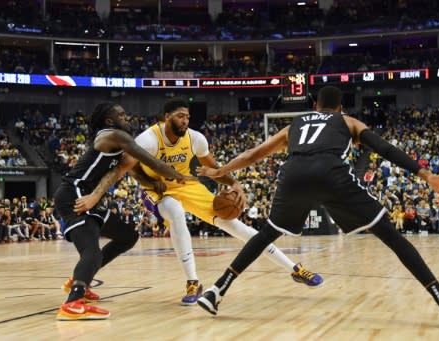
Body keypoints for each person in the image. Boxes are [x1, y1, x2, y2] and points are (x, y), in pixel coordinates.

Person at [196, 86, 439, 329]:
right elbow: (384, 149)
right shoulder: (347, 121)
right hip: (331, 173)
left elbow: (252, 154)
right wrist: (427, 176)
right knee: (391, 236)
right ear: (340, 108)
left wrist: (220, 170)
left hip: (294, 174)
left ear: (315, 105)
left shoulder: (295, 124)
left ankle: (216, 290)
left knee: (266, 234)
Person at [128, 98, 322, 305]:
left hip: (186, 185)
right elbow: (131, 167)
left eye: (187, 117)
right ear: (167, 118)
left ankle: (295, 269)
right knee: (175, 211)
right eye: (180, 116)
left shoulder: (195, 139)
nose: (185, 121)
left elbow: (214, 170)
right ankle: (193, 281)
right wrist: (149, 182)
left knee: (235, 226)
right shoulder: (147, 140)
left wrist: (234, 184)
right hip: (155, 189)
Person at [54, 102, 191, 320]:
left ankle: (81, 280)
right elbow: (152, 161)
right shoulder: (113, 135)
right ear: (110, 120)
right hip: (74, 194)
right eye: (122, 115)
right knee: (92, 251)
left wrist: (150, 183)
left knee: (128, 236)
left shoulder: (116, 141)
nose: (127, 118)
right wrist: (186, 177)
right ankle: (73, 303)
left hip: (88, 195)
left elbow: (128, 169)